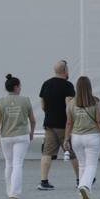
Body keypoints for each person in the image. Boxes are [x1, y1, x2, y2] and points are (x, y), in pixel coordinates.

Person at [0, 74, 35, 199]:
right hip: (22, 135)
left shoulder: (0, 102)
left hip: (6, 136)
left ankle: (9, 190)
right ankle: (15, 193)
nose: (20, 88)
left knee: (9, 163)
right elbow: (32, 120)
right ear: (16, 87)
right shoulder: (26, 100)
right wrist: (31, 133)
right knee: (17, 164)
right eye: (20, 86)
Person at [65, 76, 100, 199]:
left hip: (76, 137)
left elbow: (69, 123)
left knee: (82, 164)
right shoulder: (95, 102)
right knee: (91, 165)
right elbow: (99, 120)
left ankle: (82, 190)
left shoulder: (71, 103)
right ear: (89, 87)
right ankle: (85, 186)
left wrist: (66, 138)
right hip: (92, 136)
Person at [37, 61, 77, 191]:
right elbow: (69, 105)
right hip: (64, 125)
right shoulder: (68, 85)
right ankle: (80, 179)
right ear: (65, 70)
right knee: (73, 153)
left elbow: (42, 105)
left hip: (49, 124)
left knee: (47, 153)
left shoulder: (46, 84)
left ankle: (44, 181)